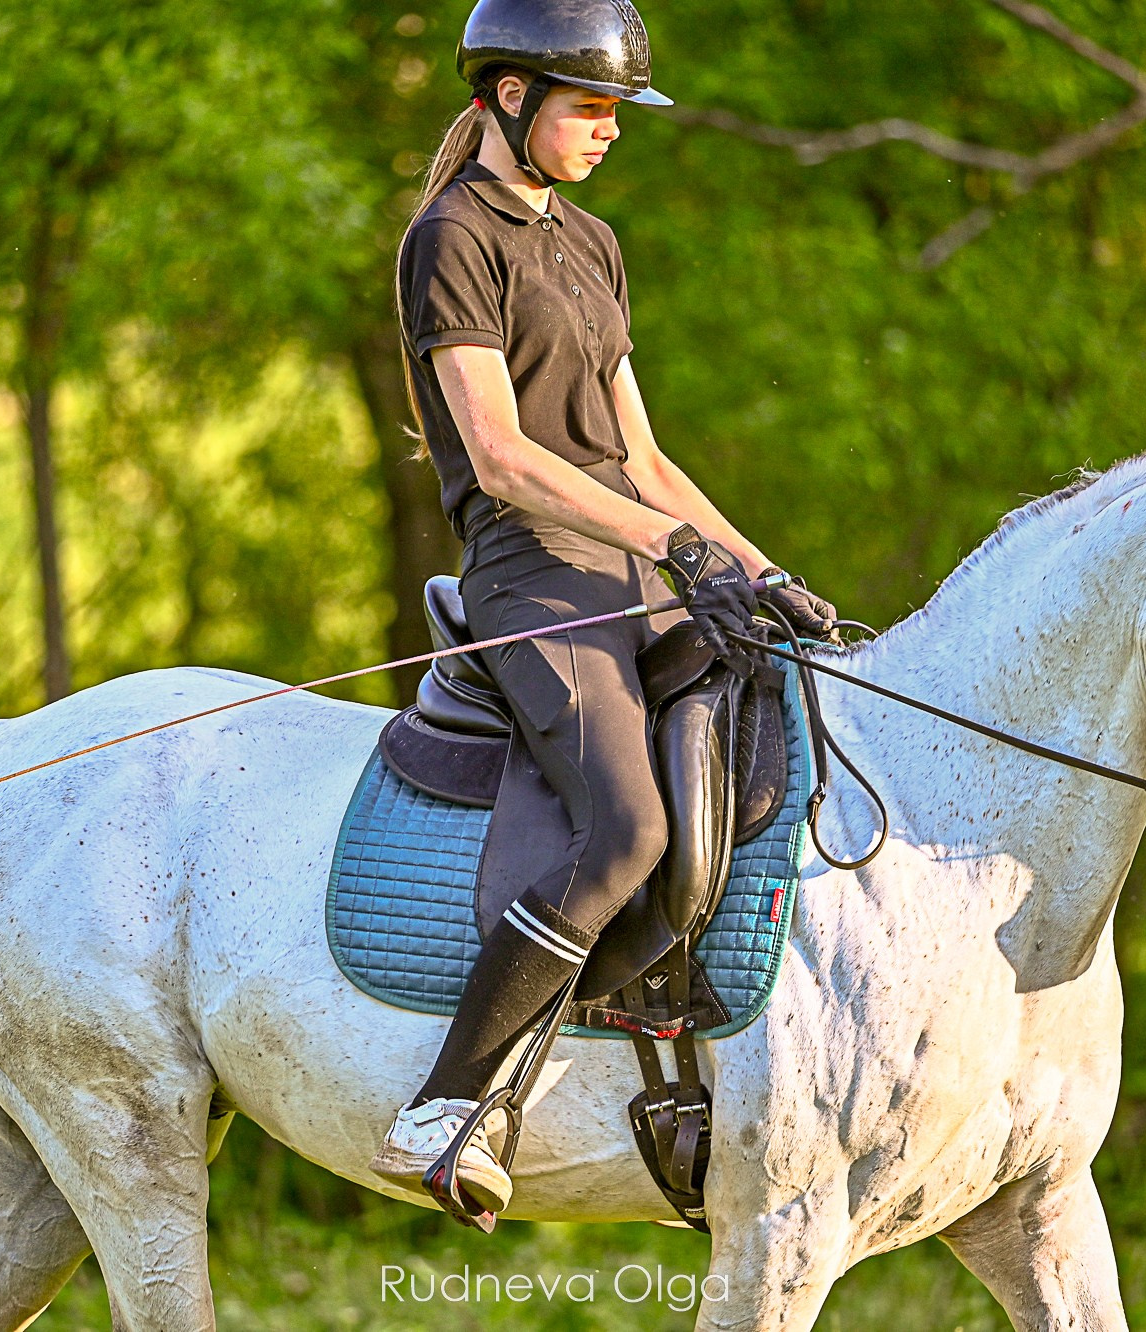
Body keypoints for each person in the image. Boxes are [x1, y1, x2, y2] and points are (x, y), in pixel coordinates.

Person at [367, 0, 838, 1215]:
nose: (609, 129)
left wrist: (754, 566)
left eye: (619, 110)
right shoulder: (450, 238)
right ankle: (451, 1101)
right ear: (507, 99)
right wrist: (670, 545)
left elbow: (643, 457)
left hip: (631, 565)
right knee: (626, 828)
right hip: (530, 575)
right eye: (590, 106)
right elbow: (506, 456)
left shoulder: (592, 241)